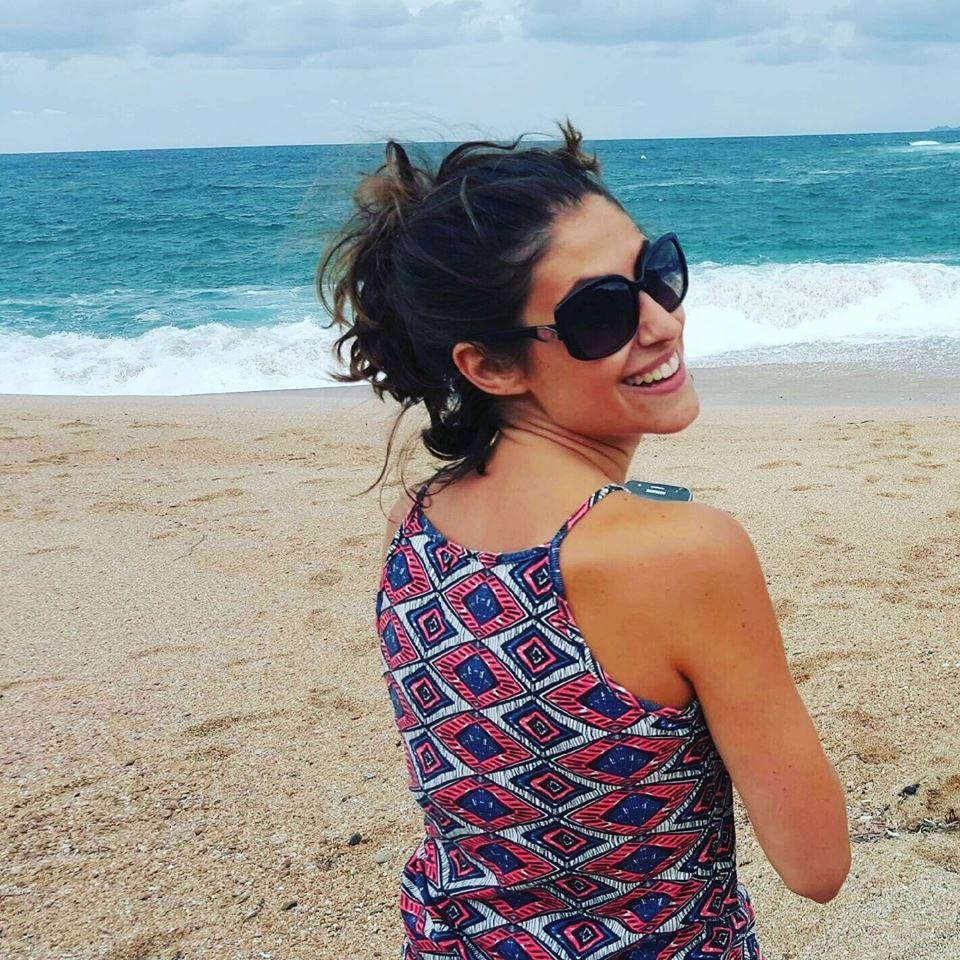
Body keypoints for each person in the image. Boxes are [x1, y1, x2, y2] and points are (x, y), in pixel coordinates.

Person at [317, 122, 850, 960]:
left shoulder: (416, 522)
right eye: (600, 313)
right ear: (491, 367)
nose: (662, 322)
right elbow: (815, 864)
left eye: (657, 274)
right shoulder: (686, 551)